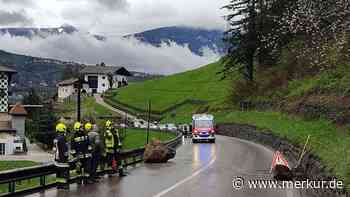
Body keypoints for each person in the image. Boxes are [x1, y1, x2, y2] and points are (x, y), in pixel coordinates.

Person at [53, 123, 70, 190]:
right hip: (63, 160)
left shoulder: (55, 139)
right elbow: (65, 150)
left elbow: (54, 149)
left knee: (58, 173)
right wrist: (67, 157)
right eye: (64, 130)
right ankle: (64, 186)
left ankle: (59, 185)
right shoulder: (63, 138)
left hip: (57, 160)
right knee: (64, 173)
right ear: (62, 130)